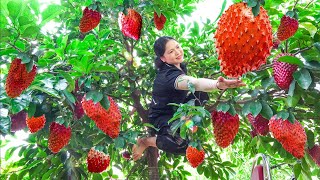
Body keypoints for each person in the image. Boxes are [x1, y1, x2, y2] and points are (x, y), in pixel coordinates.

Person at [132, 36, 246, 161]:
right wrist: (217, 85)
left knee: (202, 94)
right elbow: (194, 83)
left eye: (177, 47)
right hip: (161, 116)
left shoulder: (179, 66)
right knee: (181, 143)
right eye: (170, 52)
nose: (177, 52)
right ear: (163, 58)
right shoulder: (168, 76)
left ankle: (186, 120)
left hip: (178, 109)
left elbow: (196, 87)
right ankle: (145, 142)